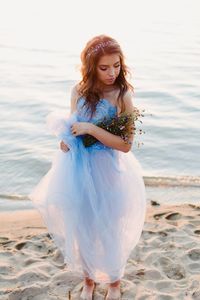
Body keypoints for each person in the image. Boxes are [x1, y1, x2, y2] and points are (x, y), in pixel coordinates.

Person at [29, 34, 146, 300]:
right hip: (78, 170)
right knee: (83, 227)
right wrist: (67, 141)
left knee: (109, 228)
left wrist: (91, 128)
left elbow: (125, 144)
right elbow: (73, 131)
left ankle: (114, 283)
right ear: (91, 66)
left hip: (109, 171)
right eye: (104, 68)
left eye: (116, 65)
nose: (111, 73)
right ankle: (89, 279)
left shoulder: (123, 94)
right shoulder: (78, 92)